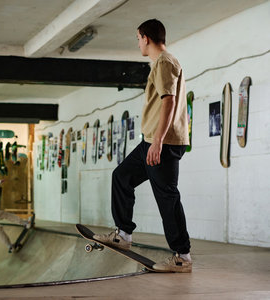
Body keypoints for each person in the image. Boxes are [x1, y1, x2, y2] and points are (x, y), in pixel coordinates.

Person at [95, 19, 192, 273]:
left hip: (162, 142)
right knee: (122, 177)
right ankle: (123, 235)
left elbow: (168, 102)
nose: (138, 43)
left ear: (145, 37)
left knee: (167, 197)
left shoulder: (164, 62)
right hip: (150, 141)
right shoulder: (162, 63)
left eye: (138, 38)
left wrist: (158, 141)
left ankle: (182, 256)